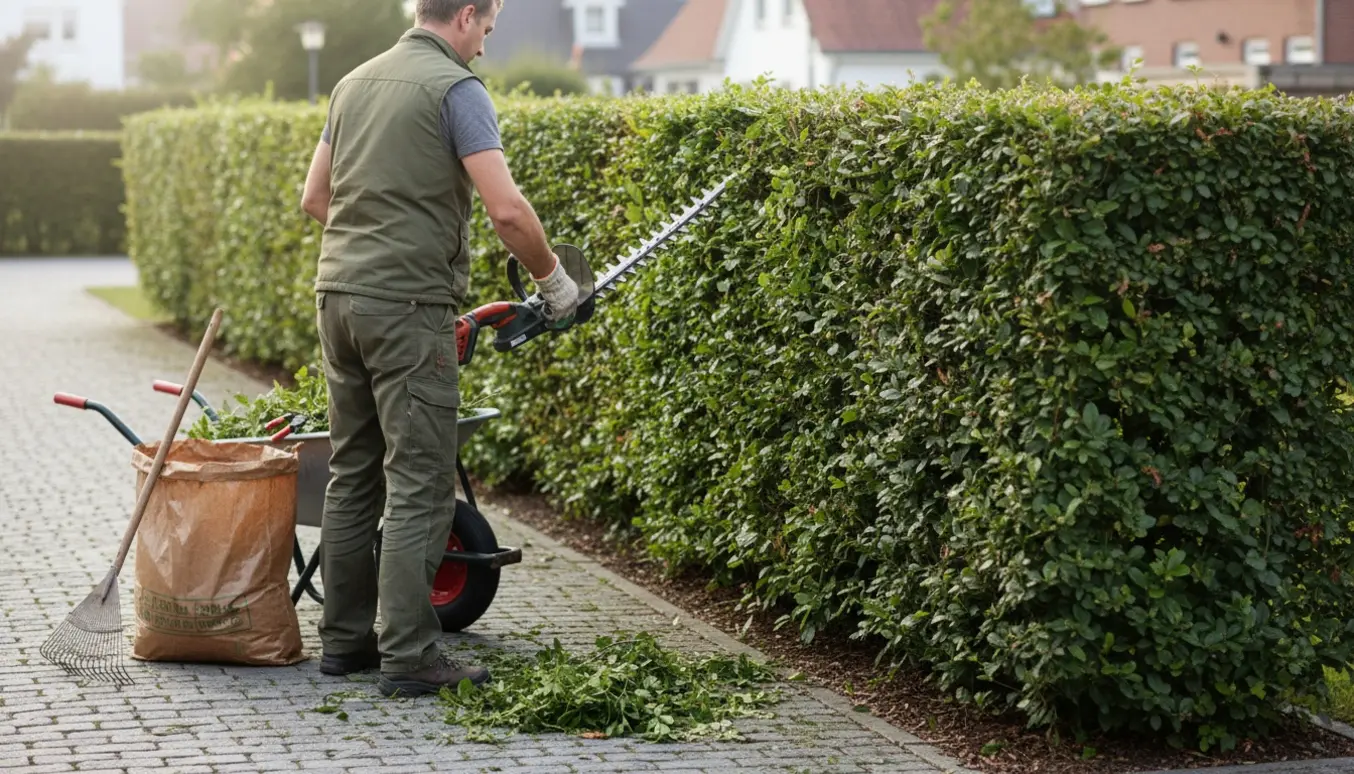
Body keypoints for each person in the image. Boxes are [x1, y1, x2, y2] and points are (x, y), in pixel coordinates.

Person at [298, 0, 579, 699]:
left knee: (353, 471)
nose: (487, 42)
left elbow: (314, 197)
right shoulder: (458, 90)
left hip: (337, 297)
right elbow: (507, 211)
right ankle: (410, 654)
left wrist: (372, 249)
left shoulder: (354, 81)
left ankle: (343, 643)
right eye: (489, 26)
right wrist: (556, 282)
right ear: (466, 16)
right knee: (421, 479)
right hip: (406, 307)